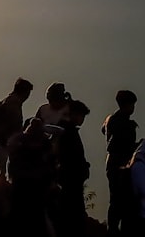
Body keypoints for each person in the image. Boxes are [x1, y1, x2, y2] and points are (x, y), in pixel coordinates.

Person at [6, 118, 56, 237]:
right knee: (38, 219)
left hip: (21, 186)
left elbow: (11, 166)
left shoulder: (19, 143)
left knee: (19, 219)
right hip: (37, 187)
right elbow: (50, 166)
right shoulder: (43, 144)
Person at [102, 89, 139, 236]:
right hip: (121, 164)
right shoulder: (123, 122)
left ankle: (114, 228)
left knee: (116, 199)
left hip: (113, 163)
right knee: (121, 200)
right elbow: (121, 144)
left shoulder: (111, 120)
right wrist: (138, 146)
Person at [55, 100, 91, 237]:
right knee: (74, 216)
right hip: (71, 180)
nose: (82, 120)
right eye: (81, 115)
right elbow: (70, 157)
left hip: (70, 179)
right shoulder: (67, 132)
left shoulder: (67, 131)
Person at [0, 77, 34, 184]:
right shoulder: (14, 103)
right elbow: (15, 125)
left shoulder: (7, 100)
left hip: (2, 143)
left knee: (2, 173)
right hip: (7, 143)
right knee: (7, 174)